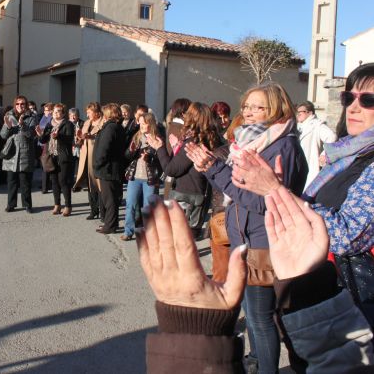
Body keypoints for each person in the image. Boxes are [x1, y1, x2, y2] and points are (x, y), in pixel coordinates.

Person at [139, 188, 374, 373]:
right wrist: (309, 290)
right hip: (284, 255)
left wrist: (194, 329)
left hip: (266, 247)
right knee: (255, 319)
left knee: (261, 321)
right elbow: (344, 365)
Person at [230, 63, 374, 328]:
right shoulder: (346, 153)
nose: (353, 107)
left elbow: (345, 236)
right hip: (315, 282)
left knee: (262, 323)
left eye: (368, 100)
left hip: (349, 299)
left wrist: (275, 190)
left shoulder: (288, 144)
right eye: (349, 97)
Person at [185, 82, 308, 374]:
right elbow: (238, 187)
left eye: (258, 107)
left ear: (277, 108)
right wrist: (211, 163)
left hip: (264, 240)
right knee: (254, 315)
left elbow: (262, 201)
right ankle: (257, 361)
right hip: (245, 236)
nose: (250, 113)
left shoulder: (283, 145)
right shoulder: (249, 141)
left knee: (261, 318)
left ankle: (268, 368)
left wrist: (213, 169)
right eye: (247, 106)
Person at [149, 102, 222, 236]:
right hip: (202, 195)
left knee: (182, 243)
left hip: (188, 198)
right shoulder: (214, 139)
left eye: (188, 114)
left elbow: (171, 169)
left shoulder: (194, 142)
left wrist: (160, 148)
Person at [121, 112, 163, 241]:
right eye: (140, 122)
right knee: (131, 204)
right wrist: (131, 150)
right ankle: (128, 231)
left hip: (150, 178)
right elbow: (127, 156)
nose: (142, 125)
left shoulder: (158, 139)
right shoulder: (137, 137)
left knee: (148, 207)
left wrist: (150, 158)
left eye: (144, 123)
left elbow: (162, 160)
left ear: (150, 124)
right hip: (135, 177)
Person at [36, 103, 75, 216]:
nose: (56, 113)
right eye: (54, 112)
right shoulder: (49, 125)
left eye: (58, 111)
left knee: (63, 181)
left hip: (63, 156)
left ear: (63, 113)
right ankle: (57, 205)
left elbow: (69, 139)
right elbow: (43, 141)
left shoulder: (68, 124)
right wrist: (40, 134)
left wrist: (58, 136)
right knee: (54, 182)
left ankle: (68, 206)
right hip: (51, 155)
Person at [1, 95, 37, 213]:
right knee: (11, 181)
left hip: (25, 152)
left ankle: (27, 205)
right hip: (11, 151)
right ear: (14, 105)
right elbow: (3, 135)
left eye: (22, 104)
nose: (20, 106)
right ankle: (11, 204)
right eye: (17, 104)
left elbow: (31, 135)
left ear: (26, 105)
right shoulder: (9, 116)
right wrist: (7, 126)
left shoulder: (32, 117)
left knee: (25, 181)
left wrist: (22, 125)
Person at [93, 103, 125, 234]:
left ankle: (110, 226)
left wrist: (97, 164)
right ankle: (111, 223)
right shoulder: (117, 126)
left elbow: (104, 149)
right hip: (112, 168)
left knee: (109, 199)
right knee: (112, 198)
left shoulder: (110, 127)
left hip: (108, 168)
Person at [295, 100, 337, 189]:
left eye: (300, 112)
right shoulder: (298, 126)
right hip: (297, 164)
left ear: (310, 113)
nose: (298, 114)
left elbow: (332, 138)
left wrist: (324, 154)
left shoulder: (317, 125)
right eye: (297, 112)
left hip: (309, 163)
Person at [73, 102, 104, 220]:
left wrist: (90, 137)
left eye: (89, 112)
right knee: (90, 185)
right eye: (87, 112)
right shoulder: (86, 123)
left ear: (96, 112)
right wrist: (79, 138)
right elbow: (81, 141)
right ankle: (93, 210)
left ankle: (102, 211)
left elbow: (103, 140)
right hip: (85, 158)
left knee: (99, 185)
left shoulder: (103, 123)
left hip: (97, 157)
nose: (87, 114)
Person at [38, 103, 54, 194]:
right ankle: (45, 186)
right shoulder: (43, 118)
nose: (45, 112)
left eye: (47, 110)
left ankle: (46, 186)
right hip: (41, 143)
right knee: (44, 164)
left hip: (49, 144)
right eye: (45, 110)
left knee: (47, 163)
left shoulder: (52, 119)